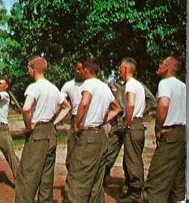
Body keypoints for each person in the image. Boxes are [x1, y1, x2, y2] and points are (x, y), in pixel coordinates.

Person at [65, 58, 122, 202]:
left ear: (86, 70)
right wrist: (102, 120)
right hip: (101, 136)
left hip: (88, 136)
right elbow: (117, 108)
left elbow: (84, 103)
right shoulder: (104, 87)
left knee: (77, 180)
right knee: (96, 181)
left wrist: (77, 125)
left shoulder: (88, 84)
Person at [15, 56, 71, 203]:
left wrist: (29, 126)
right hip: (51, 133)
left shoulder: (34, 87)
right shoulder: (53, 88)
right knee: (47, 176)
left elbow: (26, 108)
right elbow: (67, 107)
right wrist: (54, 122)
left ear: (33, 69)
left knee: (27, 175)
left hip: (37, 132)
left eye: (28, 68)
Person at [103, 70, 156, 187]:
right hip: (116, 124)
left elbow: (152, 101)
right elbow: (104, 100)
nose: (118, 71)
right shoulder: (112, 84)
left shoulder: (137, 85)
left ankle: (130, 185)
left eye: (121, 68)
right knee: (108, 153)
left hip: (130, 123)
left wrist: (141, 112)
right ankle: (102, 179)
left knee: (130, 157)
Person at [145, 56, 186, 202]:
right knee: (178, 182)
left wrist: (158, 127)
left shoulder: (165, 83)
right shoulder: (183, 87)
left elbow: (163, 104)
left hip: (170, 136)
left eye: (161, 63)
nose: (158, 65)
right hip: (182, 135)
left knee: (156, 182)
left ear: (167, 67)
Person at [117, 57, 147, 200]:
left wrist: (127, 123)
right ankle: (131, 189)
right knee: (132, 157)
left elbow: (130, 104)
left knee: (132, 160)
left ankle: (135, 192)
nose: (118, 71)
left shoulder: (130, 85)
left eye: (120, 68)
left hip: (132, 125)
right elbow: (144, 105)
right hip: (138, 123)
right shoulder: (138, 85)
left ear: (126, 69)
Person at [60, 57, 85, 169]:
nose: (79, 71)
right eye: (77, 69)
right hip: (74, 119)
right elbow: (60, 103)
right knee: (71, 150)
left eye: (82, 69)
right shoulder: (68, 86)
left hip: (88, 119)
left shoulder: (91, 85)